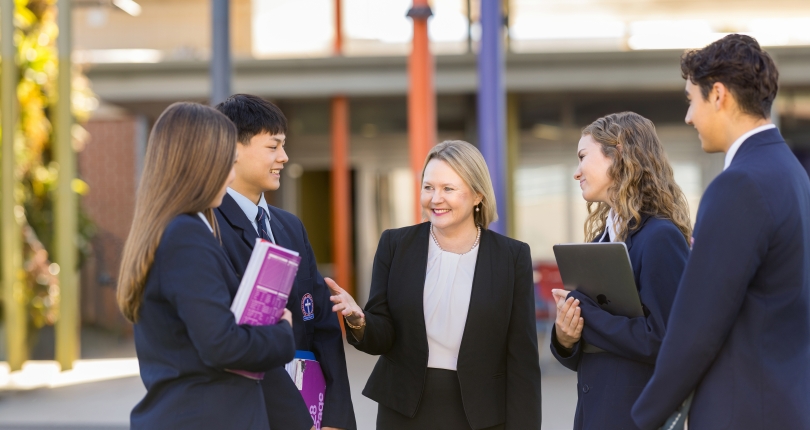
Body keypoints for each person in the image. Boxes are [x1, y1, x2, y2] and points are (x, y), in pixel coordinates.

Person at [631, 34, 810, 430]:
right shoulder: (791, 173)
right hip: (785, 410)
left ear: (717, 95)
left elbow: (697, 327)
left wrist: (643, 416)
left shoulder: (740, 185)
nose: (688, 117)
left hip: (741, 413)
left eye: (690, 100)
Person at [327, 140, 541, 429]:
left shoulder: (511, 256)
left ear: (478, 195)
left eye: (448, 189)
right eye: (428, 187)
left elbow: (522, 358)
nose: (435, 199)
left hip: (482, 414)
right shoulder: (395, 244)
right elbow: (383, 335)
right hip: (404, 410)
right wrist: (358, 319)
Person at [116, 102, 296, 429]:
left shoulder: (169, 229)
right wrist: (281, 332)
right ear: (201, 163)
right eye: (226, 160)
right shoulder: (186, 235)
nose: (230, 174)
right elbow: (222, 346)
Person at [213, 94, 356, 430]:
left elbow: (322, 326)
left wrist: (334, 417)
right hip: (251, 413)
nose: (284, 157)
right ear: (232, 148)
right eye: (273, 146)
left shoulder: (289, 226)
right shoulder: (208, 228)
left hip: (312, 413)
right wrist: (298, 421)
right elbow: (237, 341)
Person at [550, 112, 692, 429]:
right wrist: (565, 335)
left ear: (618, 155)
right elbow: (594, 350)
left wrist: (585, 313)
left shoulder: (660, 237)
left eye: (583, 157)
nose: (576, 172)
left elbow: (664, 341)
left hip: (635, 417)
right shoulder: (602, 239)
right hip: (594, 415)